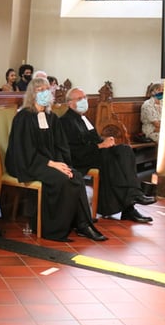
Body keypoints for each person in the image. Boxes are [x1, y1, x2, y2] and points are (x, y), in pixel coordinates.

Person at [5, 77, 107, 242]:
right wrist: (52, 164)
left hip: (49, 162)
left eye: (47, 89)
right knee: (61, 179)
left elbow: (61, 146)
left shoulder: (51, 117)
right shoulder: (23, 117)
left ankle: (82, 224)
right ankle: (53, 229)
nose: (44, 93)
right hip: (26, 162)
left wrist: (62, 163)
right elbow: (24, 150)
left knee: (75, 176)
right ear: (32, 94)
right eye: (40, 90)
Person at [60, 87, 156, 223]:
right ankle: (130, 204)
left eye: (85, 98)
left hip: (95, 153)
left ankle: (134, 197)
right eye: (80, 99)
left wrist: (106, 141)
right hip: (81, 158)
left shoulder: (84, 119)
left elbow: (94, 138)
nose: (84, 101)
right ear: (70, 103)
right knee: (112, 160)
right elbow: (72, 150)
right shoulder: (65, 121)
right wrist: (99, 146)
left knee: (125, 150)